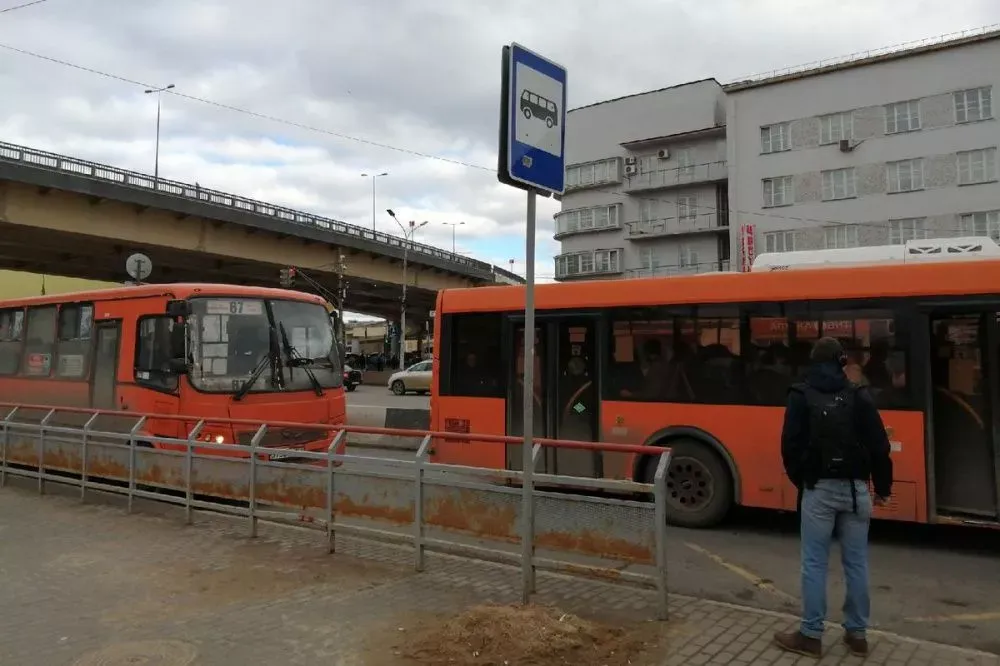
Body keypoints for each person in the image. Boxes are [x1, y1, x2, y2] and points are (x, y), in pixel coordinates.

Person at [774, 336, 893, 659]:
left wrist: (804, 481)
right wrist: (882, 488)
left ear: (813, 361)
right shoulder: (859, 395)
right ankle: (857, 635)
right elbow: (880, 446)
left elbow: (789, 447)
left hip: (819, 489)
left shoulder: (800, 395)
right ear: (842, 362)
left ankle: (811, 636)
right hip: (856, 491)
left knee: (814, 563)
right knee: (856, 563)